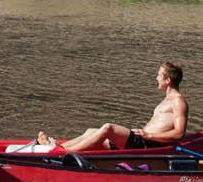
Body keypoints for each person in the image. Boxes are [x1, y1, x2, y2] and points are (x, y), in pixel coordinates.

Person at [39, 61, 189, 153]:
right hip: (141, 140)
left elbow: (179, 133)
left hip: (147, 144)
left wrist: (148, 135)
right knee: (91, 131)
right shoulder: (167, 100)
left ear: (168, 80)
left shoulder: (178, 101)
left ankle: (61, 152)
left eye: (159, 75)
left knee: (108, 128)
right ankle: (57, 145)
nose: (156, 78)